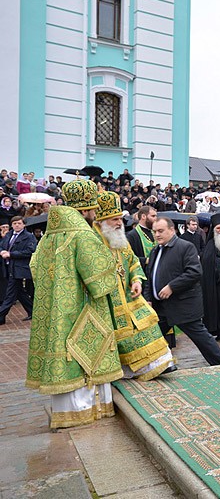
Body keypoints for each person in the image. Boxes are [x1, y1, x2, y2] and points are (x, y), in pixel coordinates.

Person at [27, 182, 122, 429]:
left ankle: (66, 411)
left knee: (64, 353)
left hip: (57, 308)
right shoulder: (83, 235)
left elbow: (35, 267)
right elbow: (100, 281)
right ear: (87, 209)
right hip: (83, 308)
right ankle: (85, 410)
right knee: (84, 355)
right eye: (93, 209)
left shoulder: (49, 234)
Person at [92, 192, 175, 379]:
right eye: (114, 220)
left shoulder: (119, 238)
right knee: (122, 336)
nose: (119, 223)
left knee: (147, 322)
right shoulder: (93, 240)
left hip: (130, 293)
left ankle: (159, 363)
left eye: (120, 219)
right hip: (109, 298)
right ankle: (132, 369)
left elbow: (133, 262)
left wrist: (137, 279)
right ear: (102, 221)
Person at [144, 217, 220, 366]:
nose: (157, 235)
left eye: (161, 231)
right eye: (154, 231)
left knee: (202, 339)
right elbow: (151, 276)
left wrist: (172, 286)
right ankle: (151, 368)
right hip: (160, 307)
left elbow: (194, 272)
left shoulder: (185, 247)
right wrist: (149, 297)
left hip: (183, 306)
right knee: (152, 339)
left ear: (172, 230)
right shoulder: (155, 250)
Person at [0, 216, 36, 324]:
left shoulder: (29, 236)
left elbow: (30, 250)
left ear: (24, 225)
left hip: (19, 268)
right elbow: (2, 246)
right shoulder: (8, 235)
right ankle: (32, 311)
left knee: (10, 294)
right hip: (8, 266)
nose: (17, 225)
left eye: (19, 223)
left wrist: (11, 254)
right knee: (20, 292)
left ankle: (1, 315)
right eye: (14, 223)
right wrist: (2, 251)